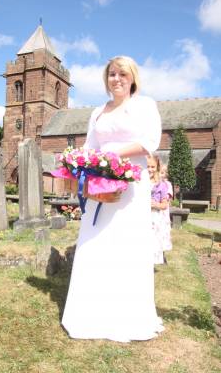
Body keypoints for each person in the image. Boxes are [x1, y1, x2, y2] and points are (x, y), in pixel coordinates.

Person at [62, 55, 164, 342]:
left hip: (131, 186)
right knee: (96, 240)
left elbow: (149, 142)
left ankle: (126, 314)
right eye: (111, 74)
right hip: (99, 187)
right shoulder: (98, 112)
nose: (116, 79)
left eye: (122, 74)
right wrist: (81, 165)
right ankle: (90, 312)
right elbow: (89, 147)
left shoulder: (144, 105)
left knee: (125, 242)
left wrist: (113, 156)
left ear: (132, 78)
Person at [147, 155, 169, 265]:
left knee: (152, 240)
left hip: (153, 216)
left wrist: (155, 204)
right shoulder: (139, 182)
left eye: (152, 167)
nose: (150, 169)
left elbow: (165, 205)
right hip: (139, 215)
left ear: (157, 167)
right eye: (147, 166)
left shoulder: (161, 185)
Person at [160, 164, 173, 261]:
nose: (160, 175)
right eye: (159, 172)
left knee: (163, 231)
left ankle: (163, 253)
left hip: (163, 212)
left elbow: (167, 197)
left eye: (162, 173)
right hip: (154, 210)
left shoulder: (167, 184)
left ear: (165, 174)